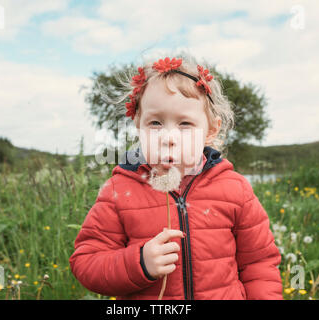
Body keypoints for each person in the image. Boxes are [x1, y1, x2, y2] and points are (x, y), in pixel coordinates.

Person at [70, 53, 283, 300]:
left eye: (184, 124)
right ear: (138, 124)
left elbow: (259, 264)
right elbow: (85, 262)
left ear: (210, 131)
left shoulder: (235, 189)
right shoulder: (119, 191)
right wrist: (138, 264)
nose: (168, 137)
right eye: (155, 123)